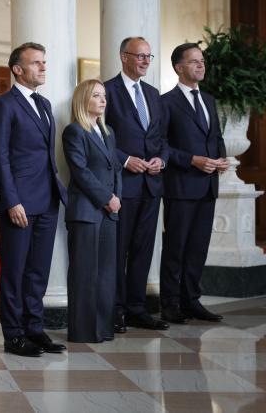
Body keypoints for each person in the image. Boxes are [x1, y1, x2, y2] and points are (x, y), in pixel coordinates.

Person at [0, 42, 68, 357]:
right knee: (14, 272)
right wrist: (11, 200)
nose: (43, 68)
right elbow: (0, 155)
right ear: (18, 69)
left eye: (44, 63)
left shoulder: (45, 104)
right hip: (19, 201)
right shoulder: (3, 105)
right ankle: (14, 335)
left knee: (38, 271)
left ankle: (34, 329)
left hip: (47, 199)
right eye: (37, 63)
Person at [104, 37, 170, 332]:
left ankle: (136, 308)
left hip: (151, 185)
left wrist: (161, 160)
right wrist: (124, 159)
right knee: (119, 251)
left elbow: (162, 139)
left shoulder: (154, 94)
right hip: (123, 185)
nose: (145, 61)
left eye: (148, 56)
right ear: (124, 57)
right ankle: (115, 310)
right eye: (140, 56)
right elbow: (100, 139)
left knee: (143, 249)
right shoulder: (107, 91)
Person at [159, 43, 227, 323]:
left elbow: (216, 138)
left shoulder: (209, 100)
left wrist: (220, 159)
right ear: (179, 67)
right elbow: (161, 145)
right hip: (181, 186)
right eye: (194, 61)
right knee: (176, 247)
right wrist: (192, 160)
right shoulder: (166, 102)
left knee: (198, 247)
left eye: (202, 61)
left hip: (208, 185)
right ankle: (171, 304)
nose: (201, 65)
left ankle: (192, 301)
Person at [62, 79, 122, 343]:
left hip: (110, 212)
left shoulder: (108, 131)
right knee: (85, 273)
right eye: (96, 95)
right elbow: (80, 172)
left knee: (106, 274)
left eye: (104, 96)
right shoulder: (74, 132)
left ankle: (103, 328)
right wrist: (106, 198)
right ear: (83, 99)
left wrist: (116, 199)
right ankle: (84, 331)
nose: (103, 100)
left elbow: (116, 168)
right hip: (86, 212)